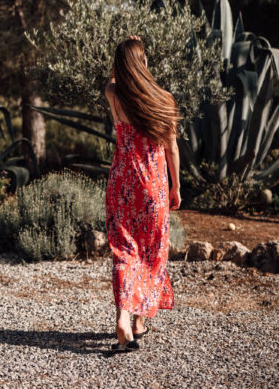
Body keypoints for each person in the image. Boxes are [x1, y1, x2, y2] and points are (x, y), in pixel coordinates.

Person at [105, 35, 181, 354]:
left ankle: (128, 321)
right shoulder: (164, 100)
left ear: (121, 67)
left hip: (122, 184)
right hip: (153, 188)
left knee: (125, 251)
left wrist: (125, 51)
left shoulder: (113, 93)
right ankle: (137, 321)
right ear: (144, 64)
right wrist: (176, 186)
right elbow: (172, 148)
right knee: (151, 252)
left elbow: (112, 79)